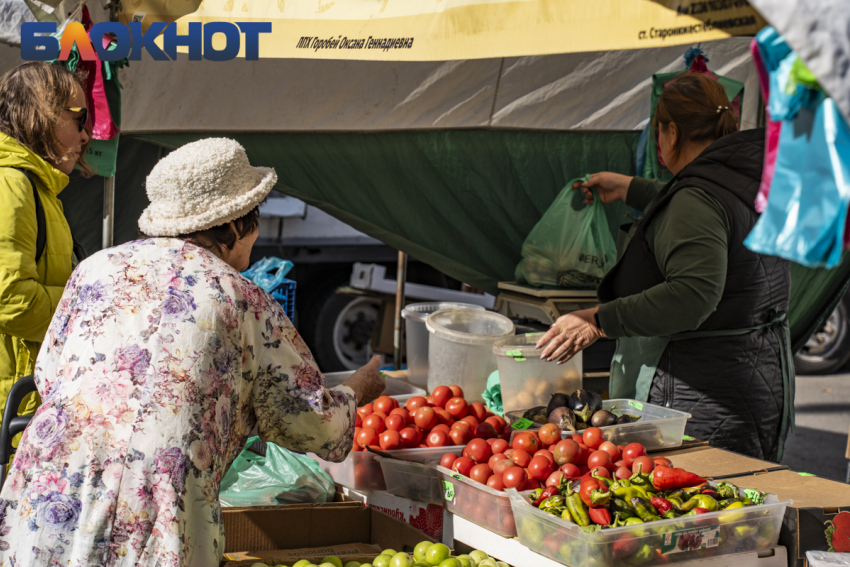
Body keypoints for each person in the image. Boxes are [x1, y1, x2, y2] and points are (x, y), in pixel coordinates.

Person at [0, 138, 386, 566]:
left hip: (46, 497)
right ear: (238, 224)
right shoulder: (240, 298)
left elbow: (50, 375)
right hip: (151, 519)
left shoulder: (95, 269)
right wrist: (356, 388)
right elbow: (316, 426)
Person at [537, 73, 792, 462]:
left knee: (699, 513)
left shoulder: (698, 198)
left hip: (702, 393)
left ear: (671, 133)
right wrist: (630, 187)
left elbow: (692, 296)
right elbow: (704, 211)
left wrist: (597, 318)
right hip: (758, 377)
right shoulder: (751, 175)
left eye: (657, 132)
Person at [0, 62, 90, 423]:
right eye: (79, 120)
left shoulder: (38, 188)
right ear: (41, 115)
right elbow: (12, 302)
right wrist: (89, 302)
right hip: (11, 411)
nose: (86, 137)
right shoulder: (12, 185)